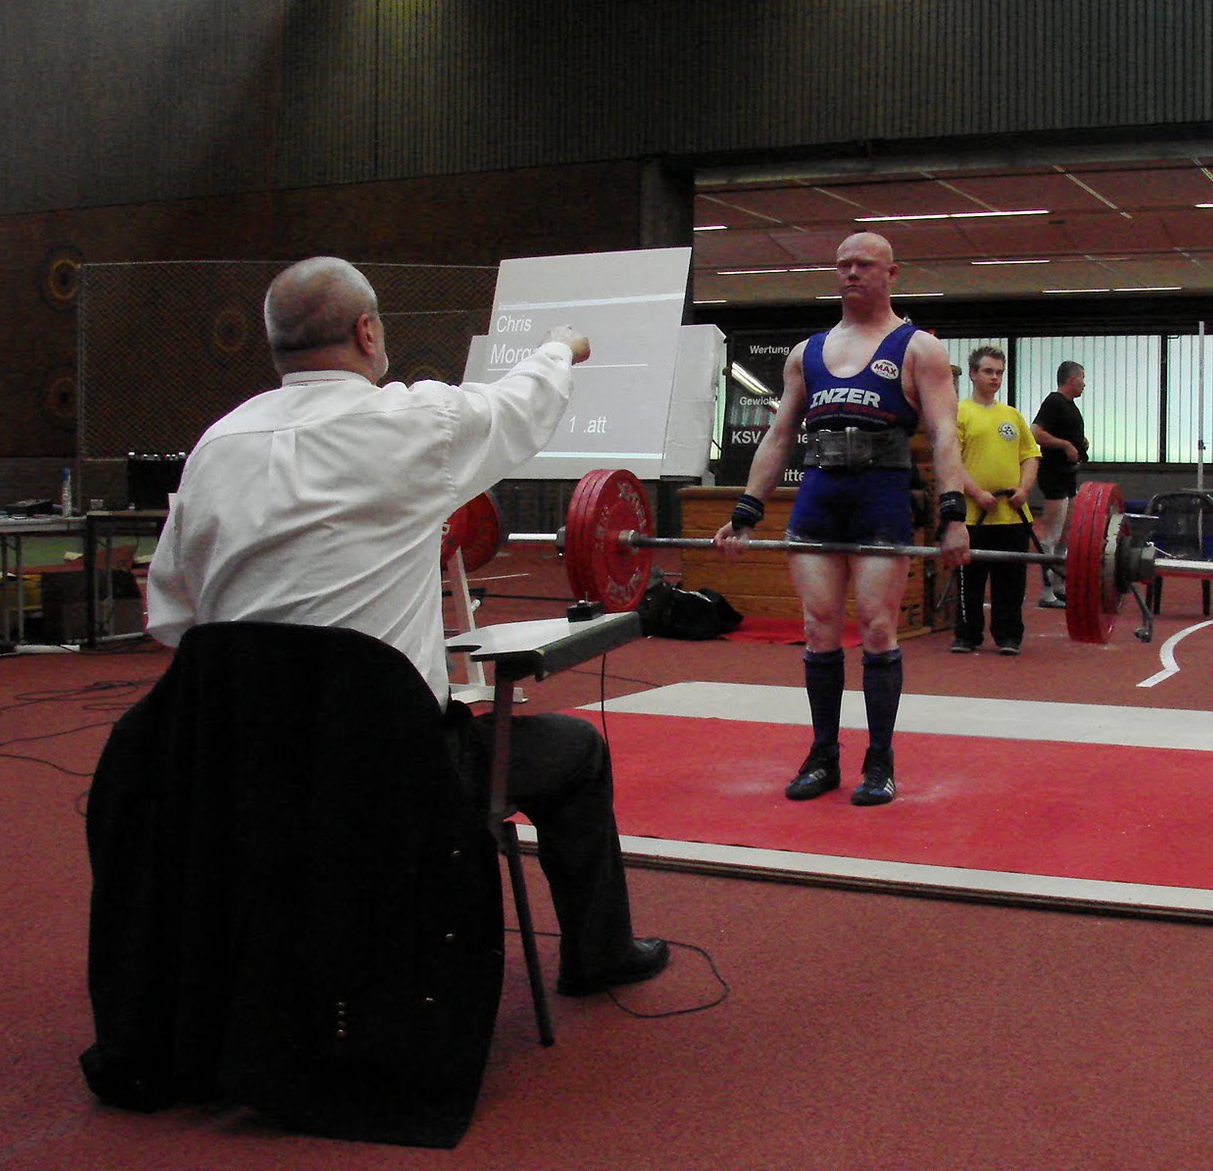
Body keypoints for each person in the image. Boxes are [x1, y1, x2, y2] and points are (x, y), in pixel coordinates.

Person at [144, 256, 668, 996]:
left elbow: (173, 620)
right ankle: (600, 957)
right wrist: (561, 345)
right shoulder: (415, 422)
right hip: (391, 774)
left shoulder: (215, 448)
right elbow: (520, 402)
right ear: (366, 331)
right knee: (575, 751)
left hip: (242, 770)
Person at [713, 232, 969, 806]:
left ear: (891, 274)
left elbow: (945, 434)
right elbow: (779, 437)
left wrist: (954, 515)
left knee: (878, 629)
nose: (851, 273)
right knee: (818, 627)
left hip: (882, 498)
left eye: (864, 265)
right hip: (820, 497)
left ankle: (879, 762)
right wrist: (746, 512)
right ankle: (823, 757)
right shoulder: (806, 352)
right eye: (843, 265)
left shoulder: (919, 348)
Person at [951, 345, 1041, 654]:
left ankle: (1008, 637)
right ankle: (967, 635)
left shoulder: (1012, 415)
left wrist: (1024, 490)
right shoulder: (960, 412)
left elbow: (1030, 456)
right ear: (973, 374)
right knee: (970, 580)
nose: (995, 378)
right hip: (973, 516)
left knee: (1011, 583)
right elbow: (951, 460)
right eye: (988, 371)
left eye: (999, 373)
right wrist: (976, 493)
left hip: (1012, 516)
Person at [1030, 360, 1088, 609]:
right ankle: (1046, 591)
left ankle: (1059, 584)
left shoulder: (1070, 406)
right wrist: (1065, 445)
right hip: (1054, 474)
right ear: (1072, 379)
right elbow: (1035, 432)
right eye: (1082, 378)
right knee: (1052, 534)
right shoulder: (1054, 402)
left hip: (1069, 475)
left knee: (1067, 533)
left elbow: (1067, 431)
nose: (1084, 383)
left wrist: (1079, 441)